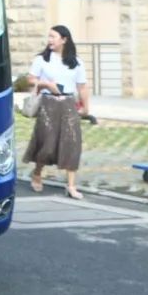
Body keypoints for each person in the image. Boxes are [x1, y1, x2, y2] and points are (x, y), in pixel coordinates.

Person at [22, 25, 90, 200]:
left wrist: (86, 107)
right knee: (47, 143)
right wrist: (46, 84)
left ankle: (71, 185)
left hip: (68, 104)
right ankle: (37, 172)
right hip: (48, 104)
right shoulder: (42, 59)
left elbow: (82, 86)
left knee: (72, 144)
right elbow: (30, 80)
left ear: (64, 39)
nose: (50, 40)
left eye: (53, 36)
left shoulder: (76, 62)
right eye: (49, 36)